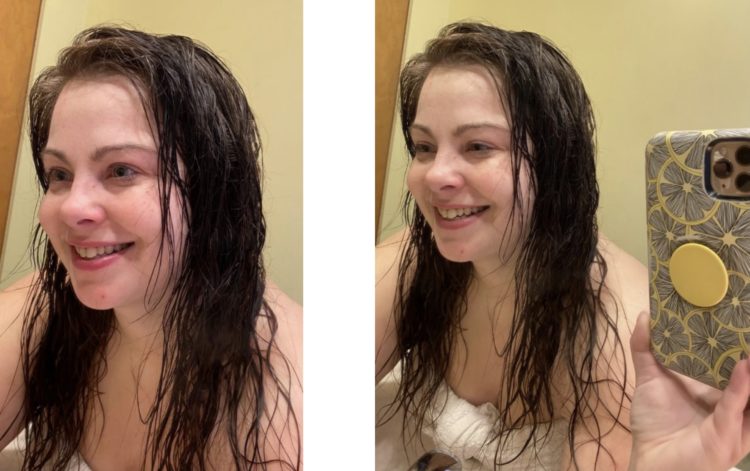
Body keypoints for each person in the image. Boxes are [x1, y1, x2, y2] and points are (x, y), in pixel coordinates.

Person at [374, 21, 746, 471]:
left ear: (553, 161)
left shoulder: (615, 334)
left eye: (476, 145)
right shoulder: (415, 260)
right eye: (424, 146)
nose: (433, 175)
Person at [0, 26, 301, 470]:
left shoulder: (284, 400)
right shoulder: (52, 303)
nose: (72, 207)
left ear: (211, 188)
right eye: (59, 174)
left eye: (121, 170)